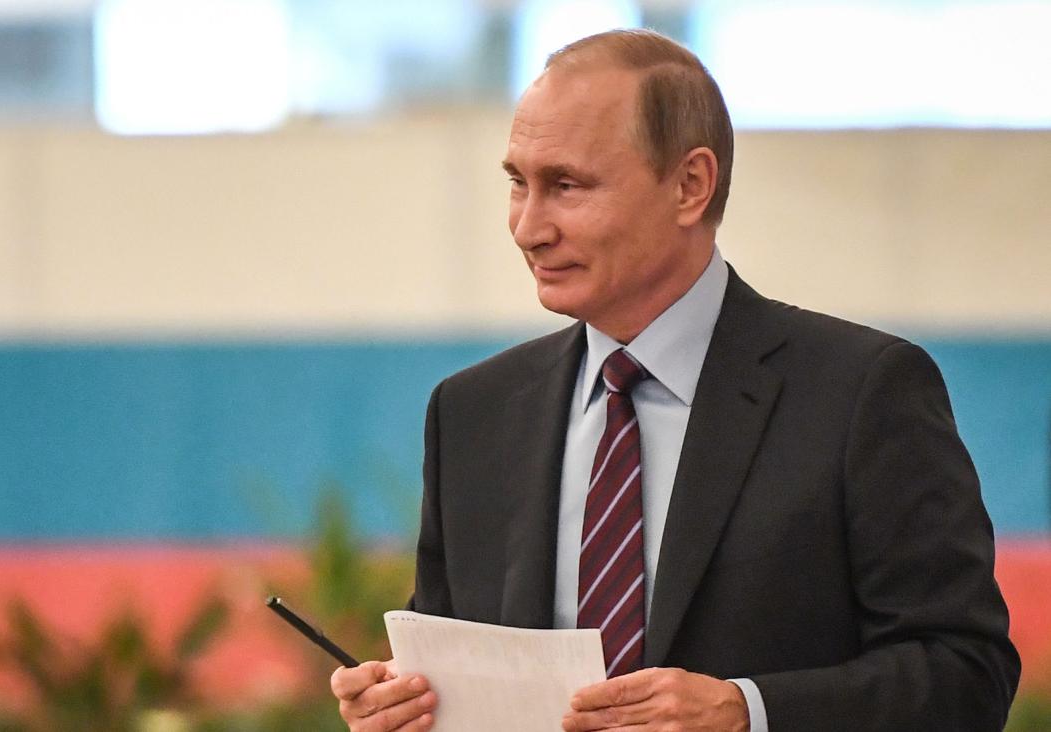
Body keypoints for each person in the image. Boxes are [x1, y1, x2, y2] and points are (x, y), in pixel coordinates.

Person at [329, 28, 1019, 732]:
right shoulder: (472, 413)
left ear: (690, 185)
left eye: (566, 185)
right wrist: (401, 705)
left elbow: (966, 675)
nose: (528, 228)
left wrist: (748, 712)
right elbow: (454, 669)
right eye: (517, 183)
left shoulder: (862, 393)